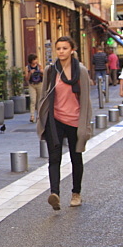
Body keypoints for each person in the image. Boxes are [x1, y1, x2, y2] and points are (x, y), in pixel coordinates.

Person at [36, 36, 93, 211]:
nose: (61, 51)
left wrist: (86, 125)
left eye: (65, 48)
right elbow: (45, 94)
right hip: (55, 120)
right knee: (54, 158)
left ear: (72, 50)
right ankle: (55, 194)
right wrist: (41, 116)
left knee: (76, 158)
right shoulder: (51, 70)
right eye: (58, 48)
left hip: (75, 120)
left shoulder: (80, 71)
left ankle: (76, 193)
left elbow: (85, 99)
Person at [25, 54, 44, 123]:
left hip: (39, 84)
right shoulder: (27, 67)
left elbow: (43, 74)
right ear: (31, 60)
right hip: (32, 85)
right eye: (35, 59)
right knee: (33, 100)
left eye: (36, 59)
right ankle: (32, 116)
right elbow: (26, 78)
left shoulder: (39, 66)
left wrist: (42, 72)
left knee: (39, 100)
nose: (36, 61)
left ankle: (38, 115)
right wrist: (30, 73)